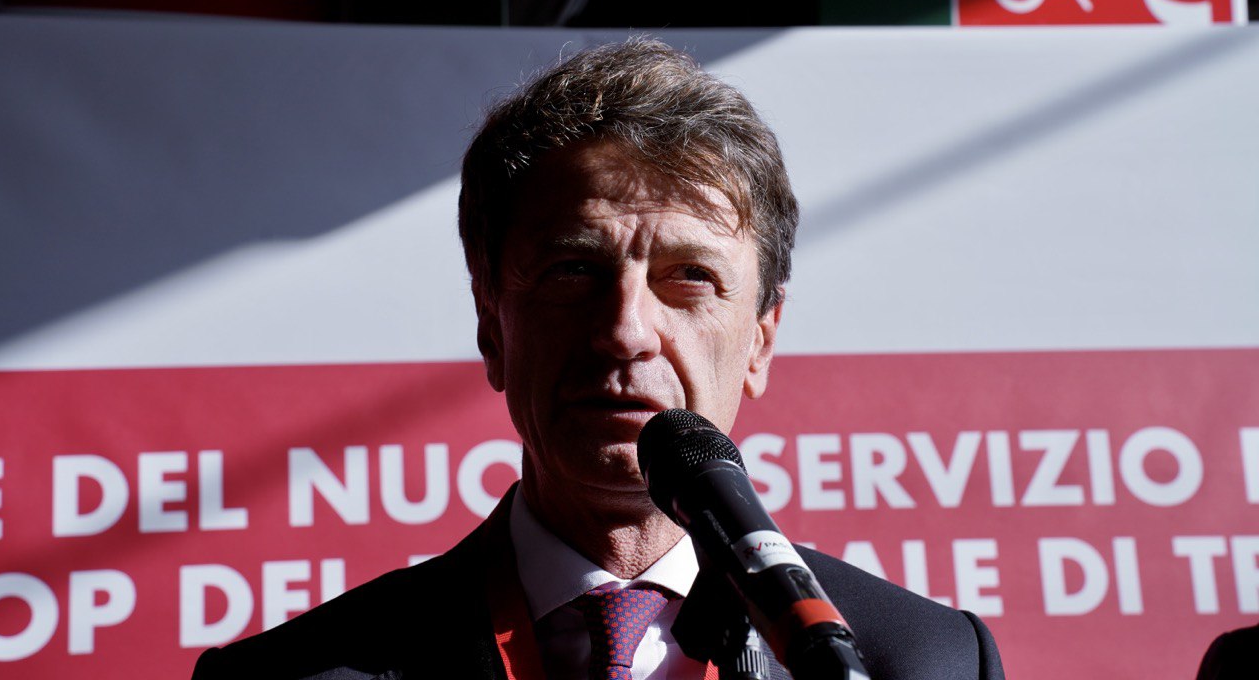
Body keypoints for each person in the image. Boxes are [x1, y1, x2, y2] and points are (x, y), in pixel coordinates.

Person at [191, 38, 1005, 680]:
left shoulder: (927, 661)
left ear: (761, 339)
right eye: (573, 271)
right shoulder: (289, 675)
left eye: (690, 278)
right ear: (492, 328)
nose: (625, 331)